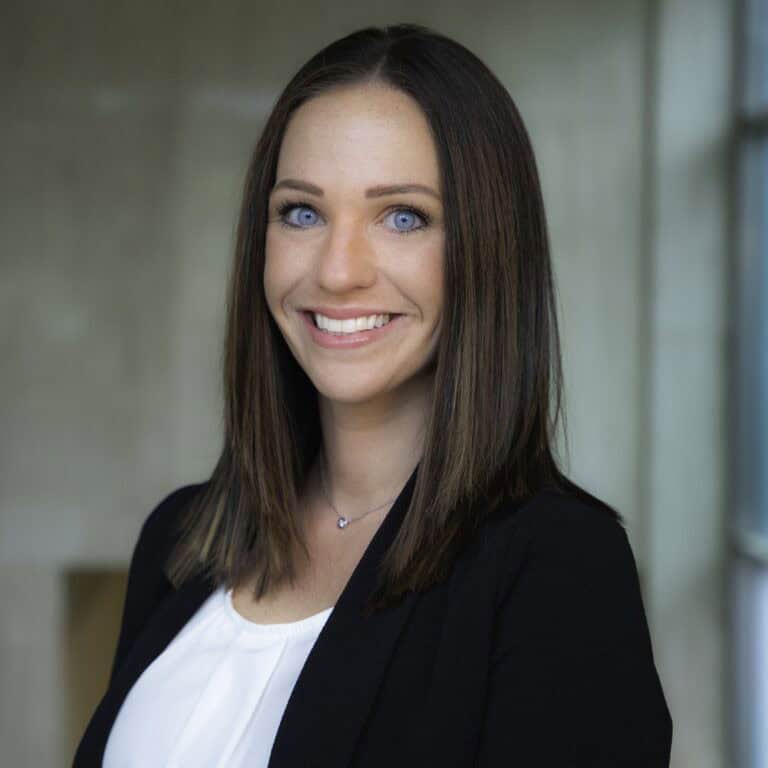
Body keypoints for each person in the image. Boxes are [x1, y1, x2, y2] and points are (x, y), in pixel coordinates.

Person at [74, 22, 672, 767]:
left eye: (401, 217)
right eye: (302, 212)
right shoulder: (182, 539)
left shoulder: (557, 570)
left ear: (487, 250)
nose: (337, 269)